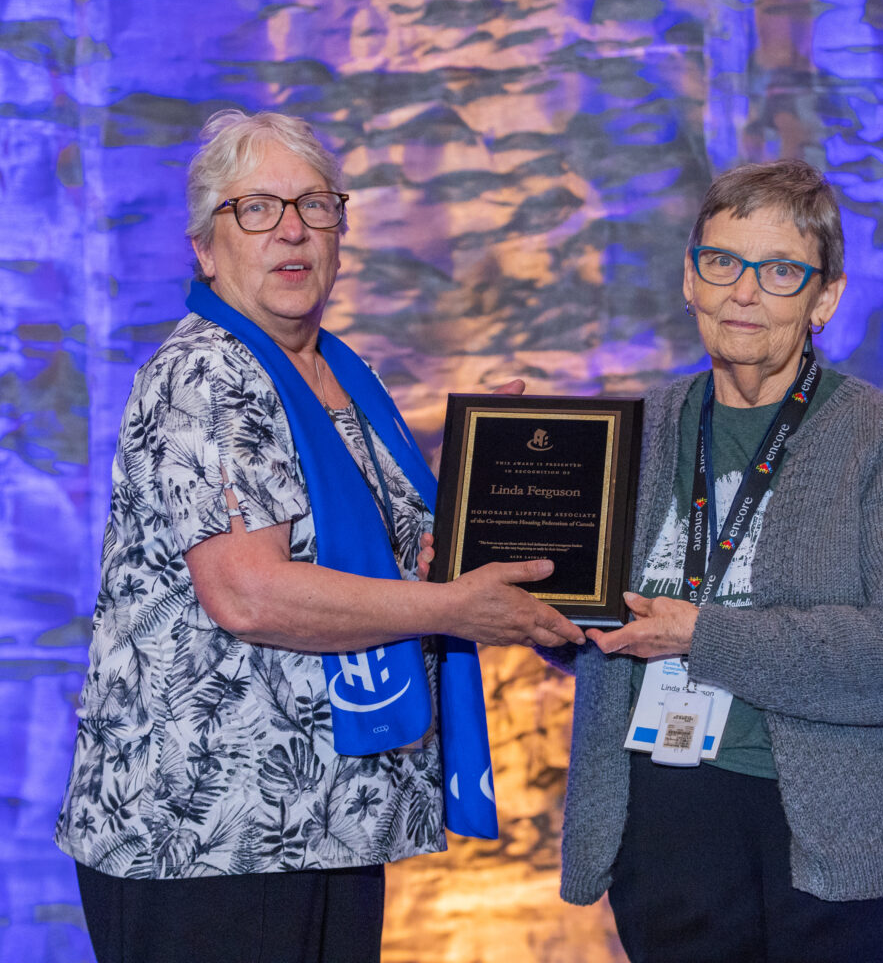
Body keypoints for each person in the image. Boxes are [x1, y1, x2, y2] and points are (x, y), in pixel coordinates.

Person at [55, 109, 585, 963]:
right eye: (256, 207)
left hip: (326, 822)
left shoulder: (345, 372)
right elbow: (250, 592)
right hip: (211, 836)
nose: (292, 228)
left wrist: (494, 478)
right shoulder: (206, 374)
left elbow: (392, 544)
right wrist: (453, 605)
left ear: (341, 230)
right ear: (204, 245)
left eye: (314, 204)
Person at [541, 160, 883, 962]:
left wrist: (703, 635)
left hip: (846, 845)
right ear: (690, 279)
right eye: (722, 262)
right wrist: (522, 590)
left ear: (824, 299)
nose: (744, 292)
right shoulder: (634, 430)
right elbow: (600, 627)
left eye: (779, 272)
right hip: (666, 826)